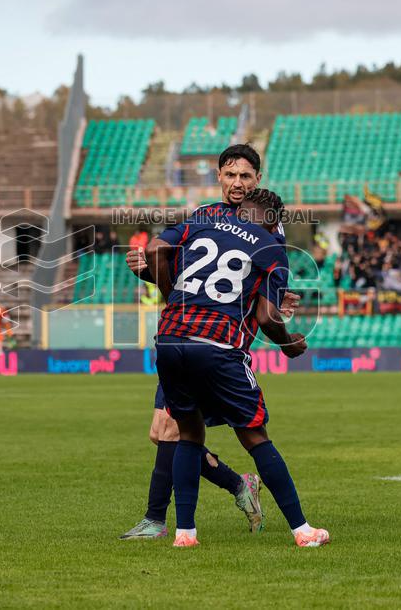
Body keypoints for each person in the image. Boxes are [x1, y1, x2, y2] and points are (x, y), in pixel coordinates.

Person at [118, 144, 296, 540]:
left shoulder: (269, 227)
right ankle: (237, 485)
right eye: (230, 175)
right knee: (166, 431)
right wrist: (148, 272)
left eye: (245, 177)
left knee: (171, 430)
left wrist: (281, 300)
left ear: (257, 180)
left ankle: (157, 520)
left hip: (222, 345)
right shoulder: (203, 216)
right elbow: (186, 278)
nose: (237, 183)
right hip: (186, 336)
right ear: (218, 176)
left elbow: (262, 284)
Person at [144, 188, 329, 548]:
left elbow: (153, 250)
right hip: (217, 344)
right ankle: (302, 531)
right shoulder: (271, 246)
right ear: (274, 220)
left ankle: (185, 534)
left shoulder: (202, 221)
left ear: (241, 209)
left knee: (189, 434)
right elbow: (266, 315)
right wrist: (288, 342)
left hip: (169, 339)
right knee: (255, 436)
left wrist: (171, 301)